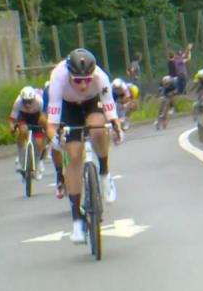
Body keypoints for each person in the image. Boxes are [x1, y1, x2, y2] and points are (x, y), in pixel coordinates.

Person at [45, 49, 122, 243]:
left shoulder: (100, 77)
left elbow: (110, 109)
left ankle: (104, 174)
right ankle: (77, 221)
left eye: (87, 80)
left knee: (97, 129)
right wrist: (55, 140)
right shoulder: (58, 78)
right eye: (77, 80)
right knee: (75, 155)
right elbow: (52, 124)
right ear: (69, 74)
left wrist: (116, 127)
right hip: (68, 107)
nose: (82, 84)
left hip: (92, 103)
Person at [9, 86, 46, 181]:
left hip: (37, 118)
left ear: (34, 99)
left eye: (30, 101)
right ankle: (21, 160)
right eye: (25, 102)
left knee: (39, 143)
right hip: (24, 117)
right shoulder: (18, 103)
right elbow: (12, 119)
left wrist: (45, 130)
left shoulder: (40, 102)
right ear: (22, 99)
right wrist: (12, 128)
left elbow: (44, 118)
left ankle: (37, 164)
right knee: (23, 131)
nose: (28, 105)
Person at [42, 81, 65, 199]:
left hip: (73, 115)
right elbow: (46, 116)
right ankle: (60, 177)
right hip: (55, 118)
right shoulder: (49, 91)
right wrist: (51, 136)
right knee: (55, 144)